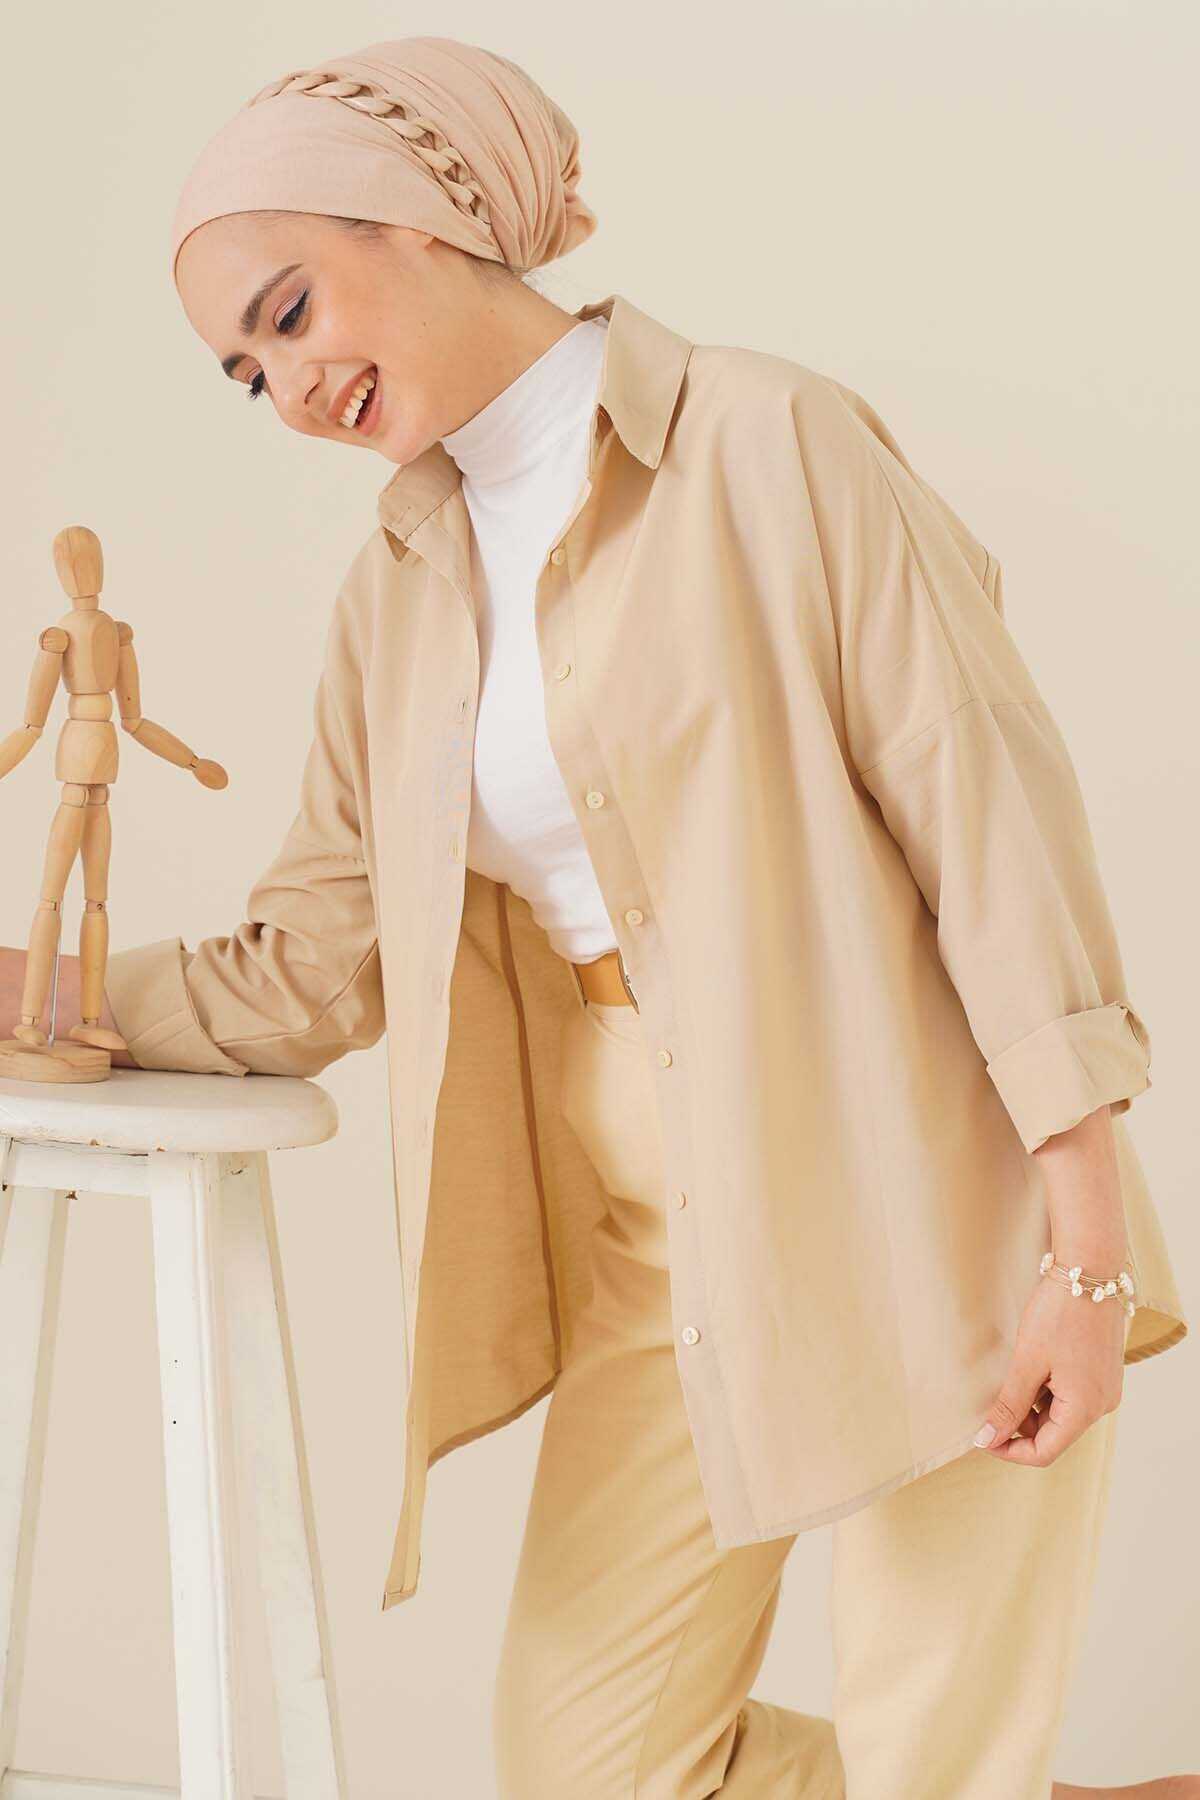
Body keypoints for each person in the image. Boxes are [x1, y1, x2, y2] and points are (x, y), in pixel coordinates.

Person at [1, 33, 1190, 1800]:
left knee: (940, 1763)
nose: (288, 382)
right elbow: (314, 967)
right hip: (664, 1239)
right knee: (590, 1765)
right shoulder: (396, 595)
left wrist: (1083, 1253)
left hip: (935, 1186)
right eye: (247, 373)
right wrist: (40, 989)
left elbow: (992, 822)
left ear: (416, 212)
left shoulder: (769, 443)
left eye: (290, 310)